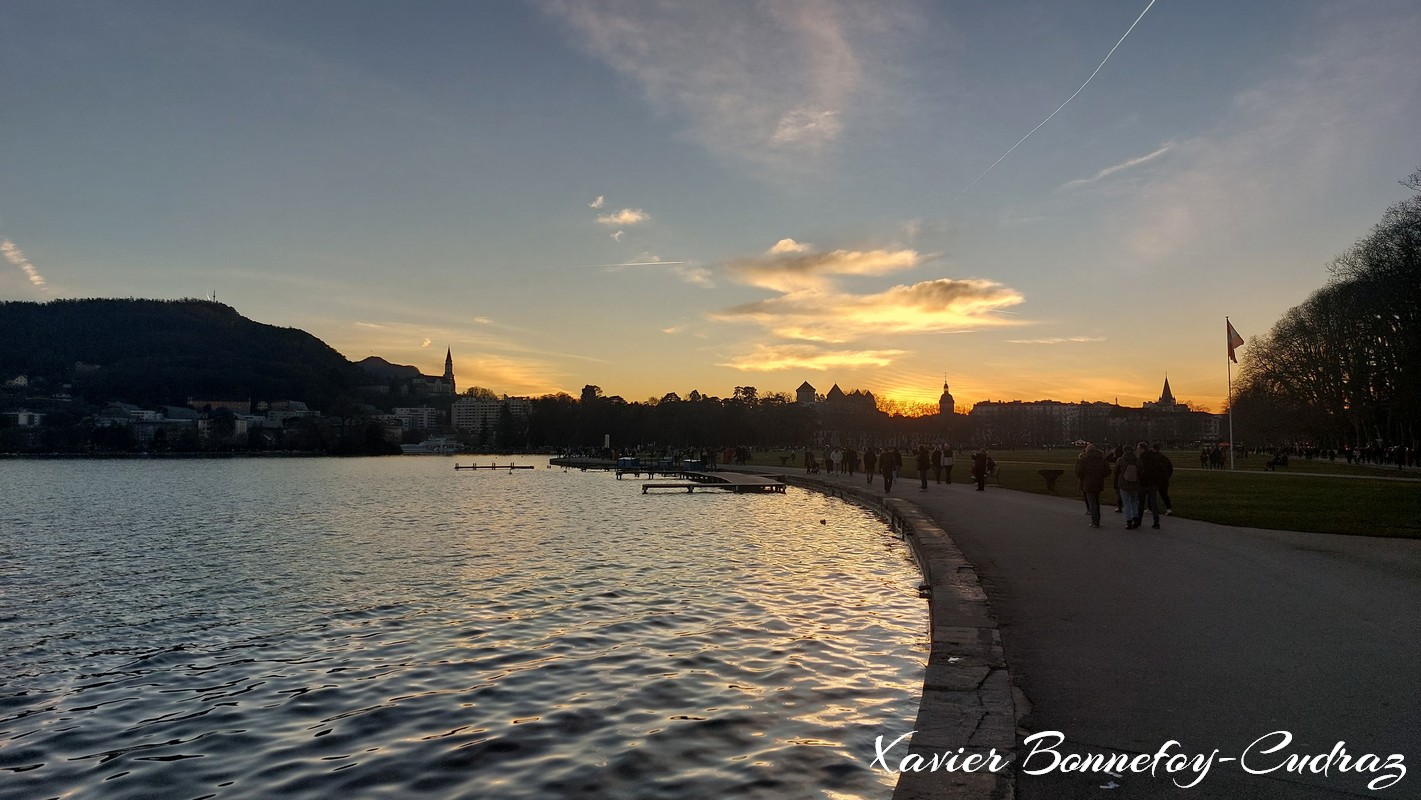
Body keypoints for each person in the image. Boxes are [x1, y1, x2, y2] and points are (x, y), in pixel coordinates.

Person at [1074, 443, 1111, 528]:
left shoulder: (1084, 459)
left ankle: (1095, 521)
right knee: (1096, 501)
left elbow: (1078, 472)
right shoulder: (1101, 459)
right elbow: (1108, 471)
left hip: (1088, 483)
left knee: (1092, 503)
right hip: (1098, 482)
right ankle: (1097, 519)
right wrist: (1101, 476)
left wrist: (1084, 477)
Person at [1137, 441, 1167, 529]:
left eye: (1138, 448)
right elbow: (1159, 470)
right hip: (1153, 483)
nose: (1137, 450)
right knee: (1153, 503)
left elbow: (1139, 471)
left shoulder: (1141, 458)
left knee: (1141, 504)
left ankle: (1139, 521)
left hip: (1143, 483)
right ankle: (1156, 522)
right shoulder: (1154, 457)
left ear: (1142, 449)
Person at [1115, 445, 1142, 529]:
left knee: (1126, 503)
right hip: (1135, 483)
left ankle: (1129, 520)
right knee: (1134, 502)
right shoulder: (1137, 460)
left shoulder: (1120, 460)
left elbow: (1115, 471)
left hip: (1124, 484)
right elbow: (1141, 471)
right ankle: (1136, 517)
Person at [1151, 443, 1175, 515]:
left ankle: (1151, 508)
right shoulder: (1164, 457)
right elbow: (1170, 468)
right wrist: (1167, 476)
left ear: (1153, 448)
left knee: (1152, 494)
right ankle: (1168, 508)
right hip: (1164, 479)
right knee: (1164, 494)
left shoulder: (1153, 457)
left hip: (1156, 478)